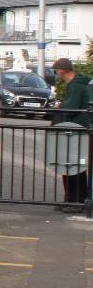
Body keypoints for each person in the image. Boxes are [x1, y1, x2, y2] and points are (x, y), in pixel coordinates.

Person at [52, 57, 91, 213]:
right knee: (77, 167)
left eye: (56, 70)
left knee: (69, 166)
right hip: (81, 130)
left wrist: (60, 105)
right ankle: (79, 199)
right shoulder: (81, 83)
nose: (56, 74)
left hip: (74, 130)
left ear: (62, 70)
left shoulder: (75, 86)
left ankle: (73, 201)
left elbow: (70, 109)